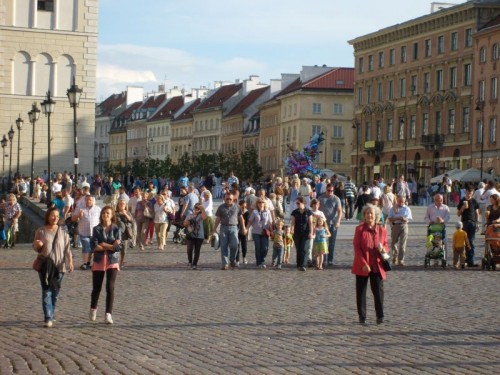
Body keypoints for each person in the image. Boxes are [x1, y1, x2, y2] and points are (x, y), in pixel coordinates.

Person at [32, 207, 74, 327]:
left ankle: (52, 311)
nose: (54, 218)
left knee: (55, 291)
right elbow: (35, 247)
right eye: (52, 215)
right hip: (45, 266)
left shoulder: (63, 232)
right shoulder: (41, 231)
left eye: (57, 216)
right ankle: (48, 317)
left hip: (60, 266)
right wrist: (38, 245)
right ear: (48, 217)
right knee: (46, 291)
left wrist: (70, 261)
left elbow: (67, 249)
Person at [352, 204, 389, 325]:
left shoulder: (382, 230)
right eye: (367, 213)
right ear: (363, 215)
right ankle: (362, 316)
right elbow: (357, 248)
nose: (369, 215)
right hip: (362, 264)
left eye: (371, 213)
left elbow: (386, 245)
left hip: (377, 264)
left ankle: (380, 315)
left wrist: (384, 249)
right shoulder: (359, 230)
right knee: (361, 291)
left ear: (376, 216)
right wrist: (363, 263)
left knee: (378, 291)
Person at [89, 206, 123, 325]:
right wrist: (110, 246)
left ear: (112, 215)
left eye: (108, 213)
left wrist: (104, 244)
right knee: (96, 288)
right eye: (104, 213)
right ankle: (93, 308)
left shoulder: (116, 229)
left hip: (112, 260)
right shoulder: (96, 229)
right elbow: (94, 246)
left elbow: (118, 247)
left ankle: (108, 314)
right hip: (99, 260)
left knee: (110, 287)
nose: (105, 215)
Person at [212, 192, 247, 270]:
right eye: (227, 199)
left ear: (233, 199)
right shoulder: (221, 207)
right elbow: (218, 218)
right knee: (224, 246)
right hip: (223, 227)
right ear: (224, 199)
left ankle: (232, 260)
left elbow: (241, 218)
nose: (228, 200)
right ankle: (225, 263)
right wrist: (214, 229)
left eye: (230, 199)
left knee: (235, 245)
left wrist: (243, 228)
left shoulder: (237, 207)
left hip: (234, 228)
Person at [72, 195, 101, 270]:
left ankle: (89, 263)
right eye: (87, 200)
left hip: (94, 233)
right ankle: (85, 263)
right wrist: (78, 215)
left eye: (90, 200)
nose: (88, 201)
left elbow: (101, 219)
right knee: (86, 246)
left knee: (92, 248)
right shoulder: (80, 208)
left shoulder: (98, 209)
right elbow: (73, 219)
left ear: (93, 201)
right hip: (84, 232)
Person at [318, 183, 342, 266]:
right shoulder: (321, 198)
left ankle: (330, 259)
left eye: (332, 191)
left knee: (332, 243)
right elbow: (318, 209)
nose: (330, 192)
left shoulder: (336, 199)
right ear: (326, 189)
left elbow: (339, 211)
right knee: (322, 241)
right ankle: (323, 259)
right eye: (329, 190)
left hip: (333, 223)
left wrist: (338, 221)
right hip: (323, 224)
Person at [247, 198, 273, 269]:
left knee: (265, 247)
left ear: (264, 204)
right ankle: (259, 262)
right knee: (258, 247)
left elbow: (270, 222)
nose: (261, 204)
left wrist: (272, 231)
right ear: (257, 204)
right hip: (256, 232)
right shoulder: (255, 212)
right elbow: (250, 221)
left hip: (265, 232)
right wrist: (246, 229)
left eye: (262, 202)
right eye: (259, 202)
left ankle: (263, 260)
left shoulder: (267, 212)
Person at [387, 195, 413, 266]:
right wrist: (397, 218)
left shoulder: (407, 208)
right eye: (399, 201)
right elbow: (389, 218)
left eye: (402, 201)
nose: (401, 203)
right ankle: (395, 256)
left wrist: (404, 219)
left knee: (402, 244)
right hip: (395, 226)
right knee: (393, 243)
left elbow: (409, 218)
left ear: (404, 201)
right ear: (397, 201)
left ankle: (401, 260)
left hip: (404, 226)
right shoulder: (393, 208)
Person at [457, 187, 480, 267]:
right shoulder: (462, 200)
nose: (469, 194)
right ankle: (464, 260)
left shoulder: (474, 201)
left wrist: (477, 223)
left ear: (473, 193)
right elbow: (458, 214)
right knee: (464, 242)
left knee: (471, 242)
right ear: (465, 192)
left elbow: (477, 213)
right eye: (468, 192)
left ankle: (471, 261)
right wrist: (463, 207)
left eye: (471, 192)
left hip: (472, 223)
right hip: (464, 223)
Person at [290, 196, 314, 271]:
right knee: (299, 248)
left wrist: (311, 232)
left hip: (305, 232)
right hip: (297, 233)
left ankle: (302, 264)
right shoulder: (295, 212)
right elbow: (293, 223)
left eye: (298, 203)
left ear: (303, 203)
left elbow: (310, 223)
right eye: (296, 203)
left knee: (303, 248)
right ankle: (298, 263)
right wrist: (291, 230)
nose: (297, 205)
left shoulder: (308, 212)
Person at [183, 203, 207, 270]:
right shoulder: (189, 215)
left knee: (197, 250)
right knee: (189, 249)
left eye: (198, 208)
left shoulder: (200, 216)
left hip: (199, 235)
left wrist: (202, 208)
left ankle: (194, 264)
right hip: (190, 235)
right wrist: (188, 222)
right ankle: (190, 261)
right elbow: (184, 224)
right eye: (195, 208)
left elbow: (205, 217)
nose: (196, 209)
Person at [116, 199, 133, 268]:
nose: (122, 205)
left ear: (126, 205)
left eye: (123, 204)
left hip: (125, 234)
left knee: (123, 250)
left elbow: (131, 220)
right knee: (116, 249)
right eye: (121, 203)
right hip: (116, 234)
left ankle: (121, 261)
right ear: (118, 205)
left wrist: (125, 214)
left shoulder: (128, 213)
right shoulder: (115, 213)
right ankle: (116, 262)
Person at [237, 199, 250, 265]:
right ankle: (237, 260)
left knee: (244, 245)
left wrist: (245, 229)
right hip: (237, 230)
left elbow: (247, 222)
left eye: (244, 205)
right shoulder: (237, 212)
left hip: (244, 230)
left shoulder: (247, 213)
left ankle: (244, 257)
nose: (243, 207)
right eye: (242, 205)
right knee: (237, 245)